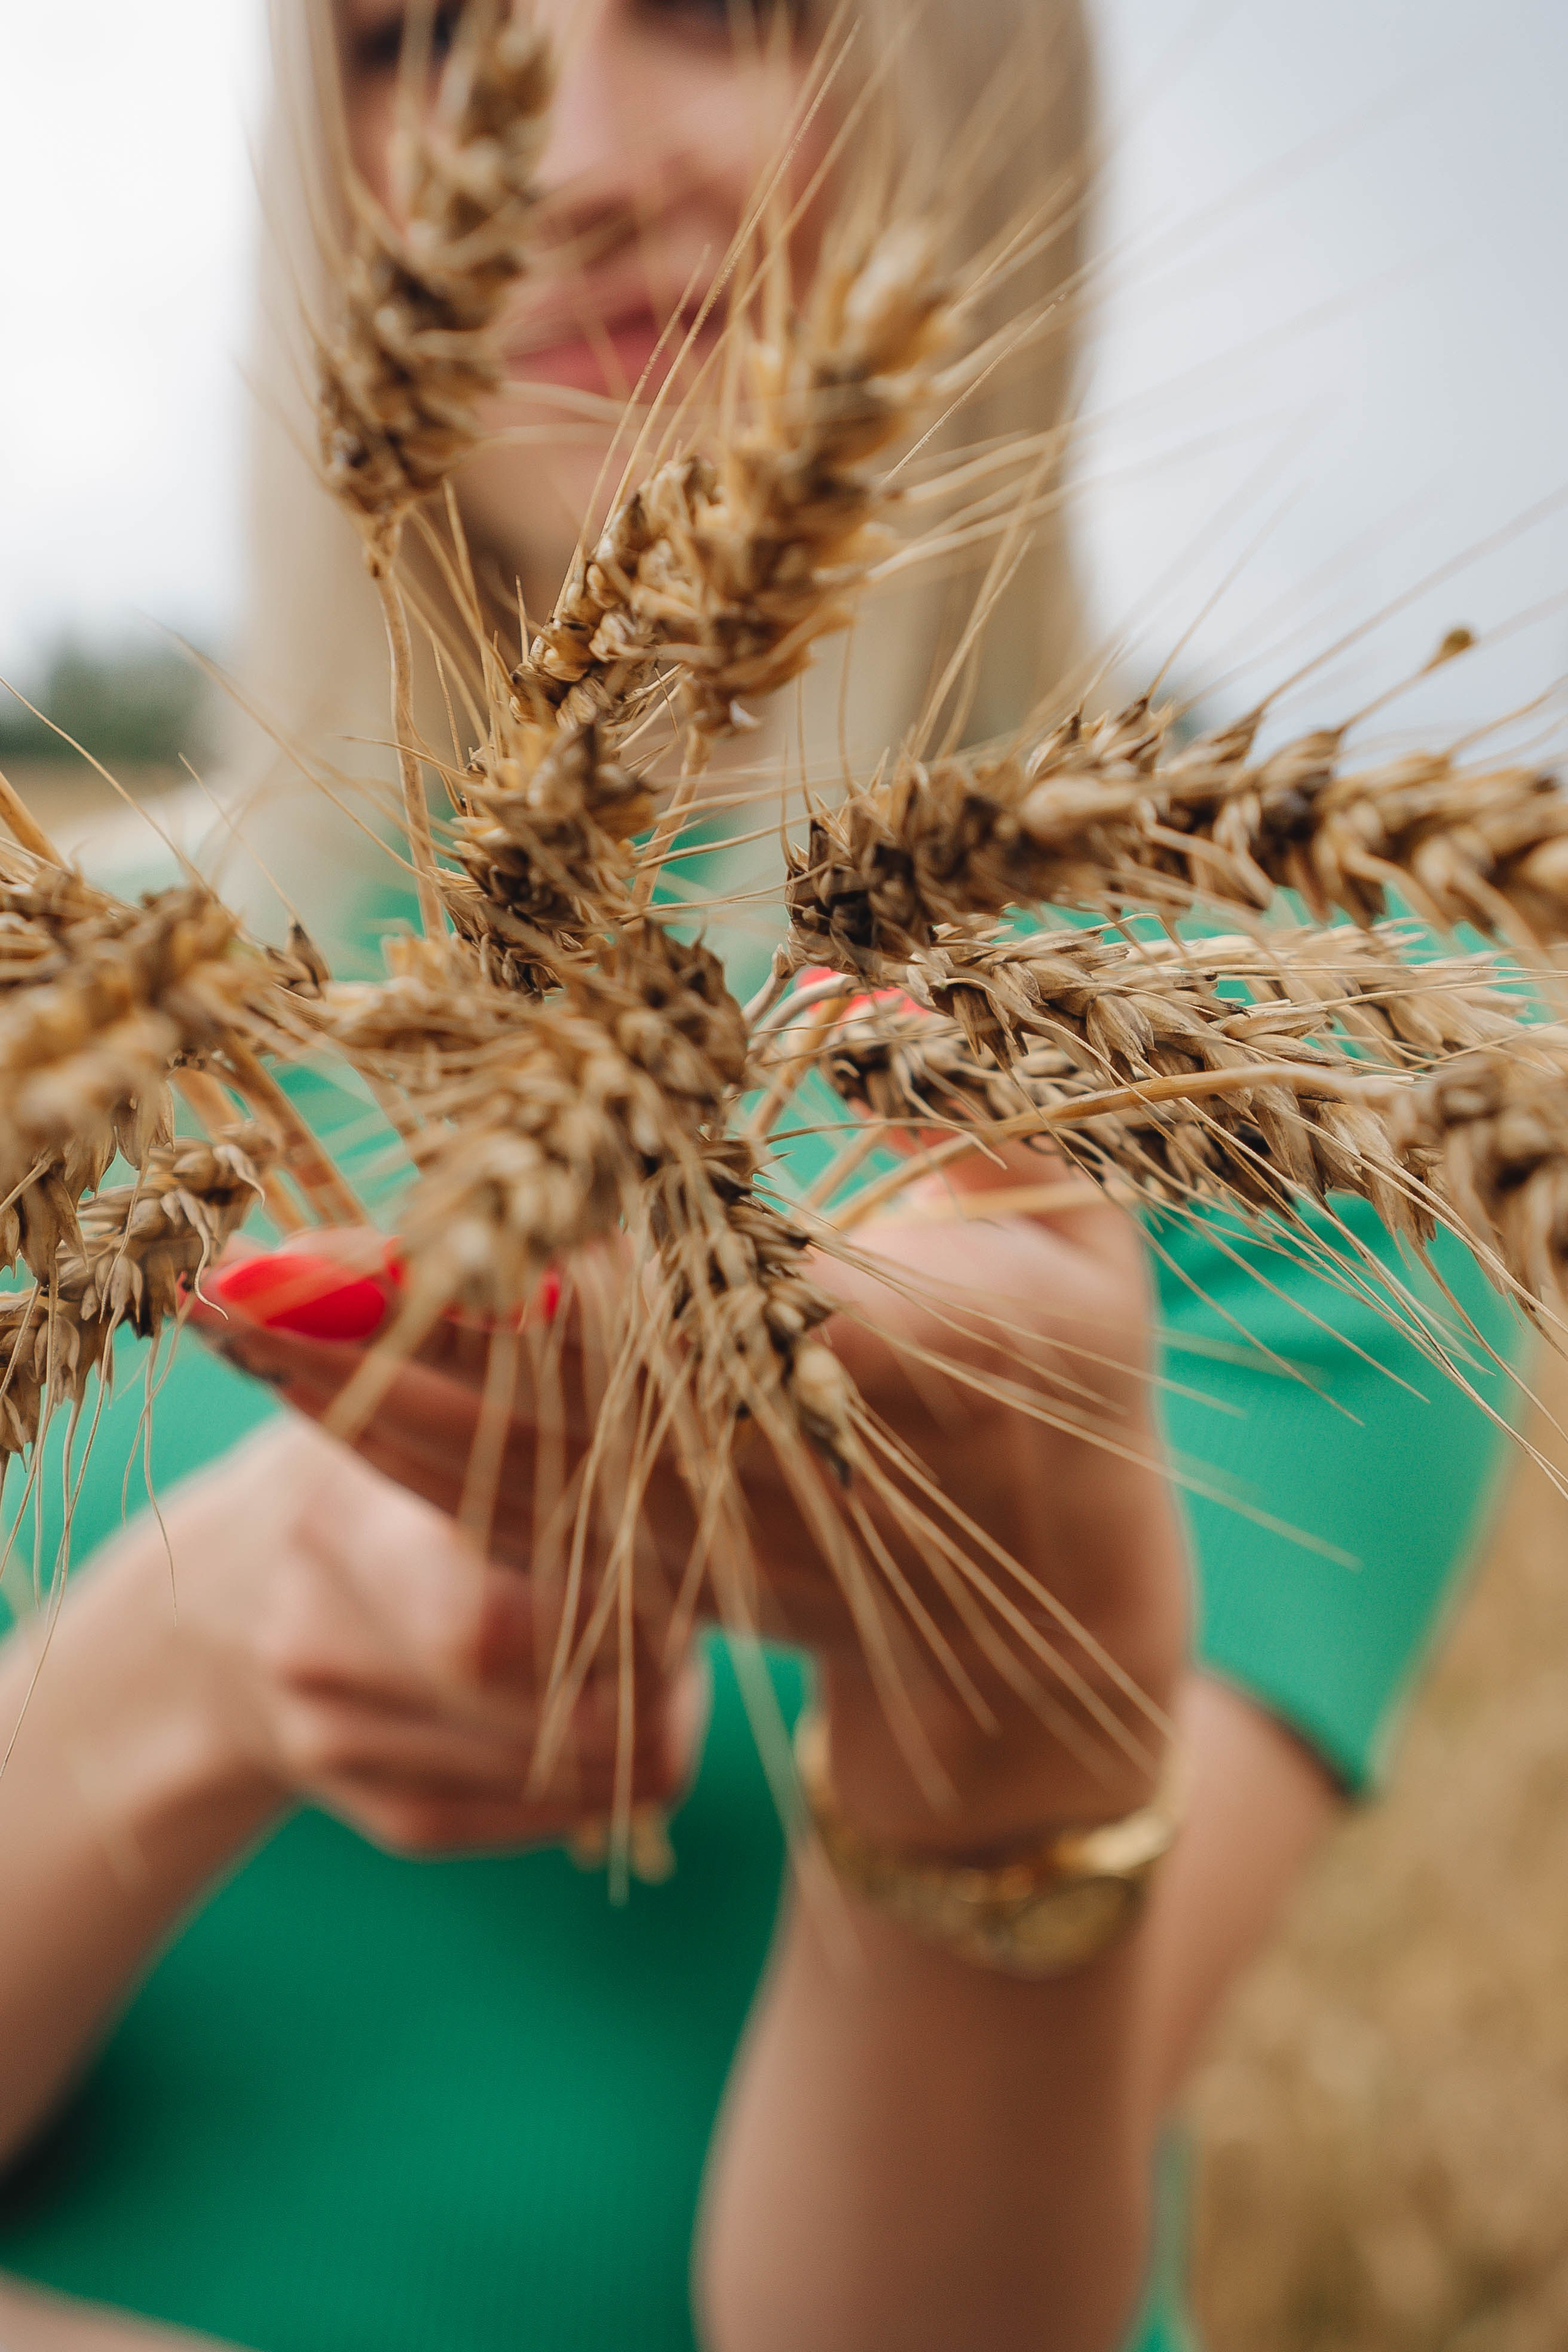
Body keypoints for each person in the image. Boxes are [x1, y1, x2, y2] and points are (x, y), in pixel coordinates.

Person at [0, 4, 1520, 2348]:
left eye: (714, 7)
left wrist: (998, 1733)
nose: (568, 158)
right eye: (416, 38)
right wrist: (184, 1662)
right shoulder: (84, 983)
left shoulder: (1299, 1056)